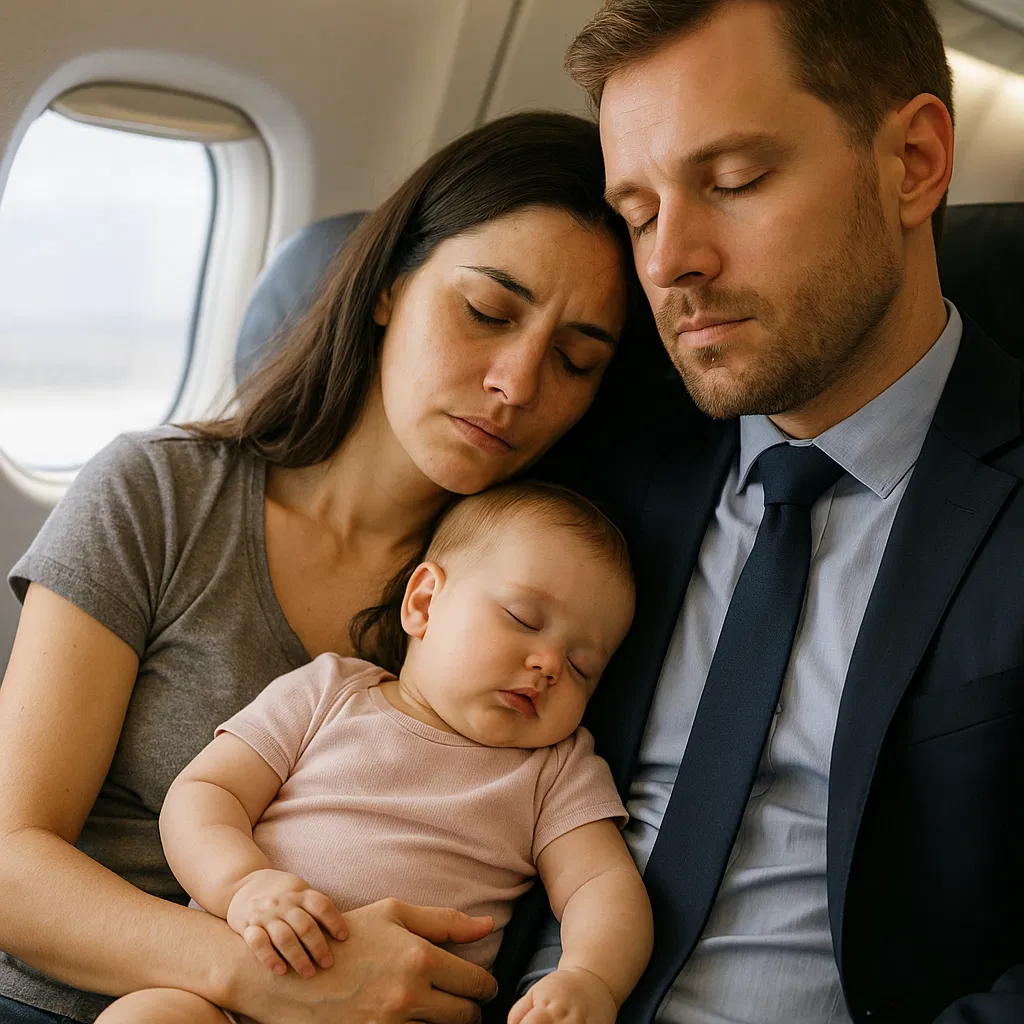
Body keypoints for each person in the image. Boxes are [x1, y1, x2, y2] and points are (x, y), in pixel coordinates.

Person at [0, 111, 648, 1024]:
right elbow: (9, 864)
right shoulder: (157, 494)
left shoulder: (544, 602)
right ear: (389, 284)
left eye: (576, 361)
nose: (518, 381)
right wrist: (265, 972)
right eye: (486, 313)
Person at [495, 1, 1024, 1023]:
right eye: (638, 212)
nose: (666, 264)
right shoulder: (590, 448)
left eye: (731, 182)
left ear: (912, 160)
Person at [94, 481, 652, 1024]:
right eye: (524, 620)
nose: (550, 665)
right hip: (231, 992)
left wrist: (592, 978)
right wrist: (241, 884)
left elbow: (603, 887)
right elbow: (204, 794)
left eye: (583, 666)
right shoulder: (328, 692)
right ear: (425, 603)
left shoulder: (554, 769)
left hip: (403, 1007)